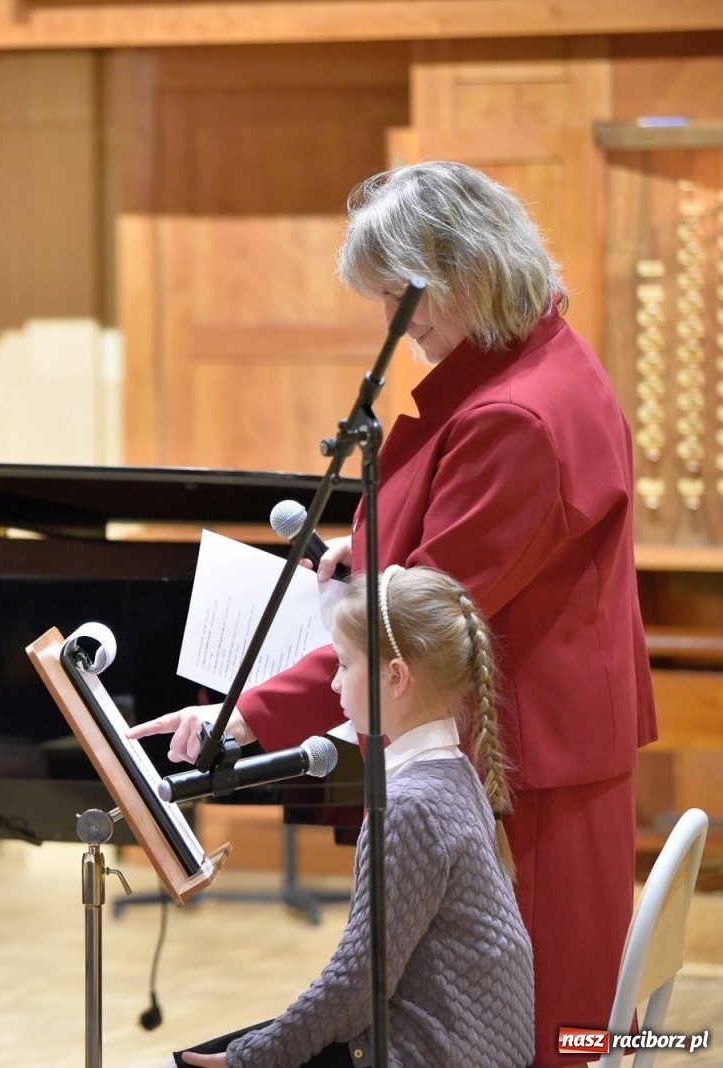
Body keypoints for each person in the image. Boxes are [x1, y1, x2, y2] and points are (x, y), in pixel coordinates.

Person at [131, 160, 655, 1066]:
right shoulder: (535, 356)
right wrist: (360, 560)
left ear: (461, 275)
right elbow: (444, 554)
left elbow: (418, 617)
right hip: (529, 752)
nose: (395, 329)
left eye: (399, 301)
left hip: (519, 768)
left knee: (537, 1038)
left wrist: (250, 713)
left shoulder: (516, 417)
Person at [174, 566, 534, 1068]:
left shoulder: (408, 805)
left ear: (395, 677)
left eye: (343, 664)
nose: (333, 680)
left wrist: (251, 1059)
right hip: (474, 1042)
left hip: (438, 1050)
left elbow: (355, 985)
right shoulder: (453, 771)